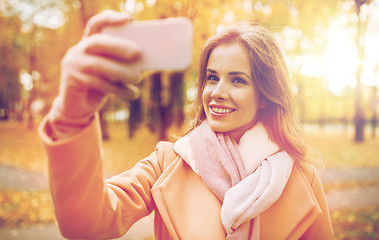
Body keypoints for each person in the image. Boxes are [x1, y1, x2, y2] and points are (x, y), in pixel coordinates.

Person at [39, 10, 334, 240]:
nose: (217, 91)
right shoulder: (168, 162)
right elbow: (86, 222)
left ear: (266, 96)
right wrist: (73, 113)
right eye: (212, 77)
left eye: (238, 80)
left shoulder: (301, 177)